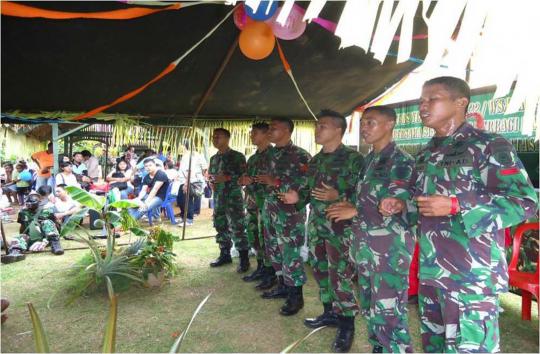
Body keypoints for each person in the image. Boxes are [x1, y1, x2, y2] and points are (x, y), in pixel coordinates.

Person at [381, 76, 538, 353]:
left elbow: (524, 202)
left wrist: (457, 205)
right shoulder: (427, 153)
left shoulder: (489, 145)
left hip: (470, 276)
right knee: (436, 346)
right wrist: (402, 204)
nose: (423, 106)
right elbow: (422, 201)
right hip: (432, 271)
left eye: (433, 99)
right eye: (421, 101)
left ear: (460, 102)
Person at [327, 106, 415, 353]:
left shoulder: (401, 161)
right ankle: (379, 347)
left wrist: (356, 211)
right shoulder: (368, 160)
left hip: (388, 250)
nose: (364, 128)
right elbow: (367, 198)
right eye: (363, 123)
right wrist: (351, 205)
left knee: (389, 310)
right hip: (365, 247)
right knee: (370, 306)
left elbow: (397, 203)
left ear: (389, 125)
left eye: (371, 123)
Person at [281, 110, 364, 352]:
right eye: (317, 126)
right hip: (317, 225)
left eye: (323, 126)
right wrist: (297, 197)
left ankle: (347, 325)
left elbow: (366, 193)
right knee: (319, 270)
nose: (318, 130)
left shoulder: (354, 159)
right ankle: (330, 312)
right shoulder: (315, 161)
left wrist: (340, 195)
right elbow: (309, 192)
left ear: (339, 130)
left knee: (341, 274)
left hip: (341, 228)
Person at [254, 117, 311, 316]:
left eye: (273, 128)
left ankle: (296, 297)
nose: (269, 131)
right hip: (270, 210)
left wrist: (276, 182)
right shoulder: (269, 154)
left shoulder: (300, 155)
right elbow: (263, 179)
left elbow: (308, 185)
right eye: (268, 128)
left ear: (287, 130)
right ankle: (282, 285)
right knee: (274, 251)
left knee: (290, 254)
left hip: (290, 214)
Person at [207, 128, 250, 273]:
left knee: (238, 227)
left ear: (227, 138)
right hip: (218, 198)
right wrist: (211, 182)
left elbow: (244, 177)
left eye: (218, 137)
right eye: (213, 137)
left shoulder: (237, 156)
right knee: (220, 225)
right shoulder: (214, 158)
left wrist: (227, 178)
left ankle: (244, 258)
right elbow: (212, 176)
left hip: (233, 198)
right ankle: (224, 254)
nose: (214, 139)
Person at [238, 122, 274, 283]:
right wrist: (243, 180)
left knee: (266, 236)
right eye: (251, 133)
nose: (251, 136)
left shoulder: (275, 156)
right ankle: (261, 266)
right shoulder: (252, 158)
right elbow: (246, 178)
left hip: (267, 205)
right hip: (252, 204)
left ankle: (270, 271)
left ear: (267, 134)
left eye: (255, 133)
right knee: (253, 234)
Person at [5, 193, 64, 259]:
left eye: (31, 203)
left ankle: (55, 245)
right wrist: (22, 236)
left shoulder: (47, 211)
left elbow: (56, 225)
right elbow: (23, 227)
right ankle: (15, 252)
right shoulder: (23, 213)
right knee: (21, 237)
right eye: (27, 203)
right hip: (31, 236)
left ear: (39, 202)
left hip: (46, 237)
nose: (29, 205)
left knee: (47, 222)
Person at [177, 142, 208, 227]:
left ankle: (189, 219)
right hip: (185, 180)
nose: (178, 147)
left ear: (184, 146)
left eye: (180, 145)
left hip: (191, 180)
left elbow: (189, 170)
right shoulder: (186, 155)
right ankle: (184, 217)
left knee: (187, 200)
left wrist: (186, 183)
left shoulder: (190, 156)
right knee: (181, 199)